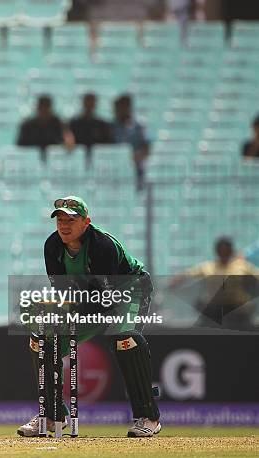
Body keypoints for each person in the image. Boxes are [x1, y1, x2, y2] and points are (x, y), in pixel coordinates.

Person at [17, 196, 161, 438]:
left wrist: (73, 312)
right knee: (41, 341)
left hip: (128, 291)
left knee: (125, 339)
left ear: (86, 222)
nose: (64, 225)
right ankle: (53, 416)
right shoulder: (52, 246)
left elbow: (107, 302)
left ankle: (149, 416)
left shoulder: (102, 246)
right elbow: (63, 291)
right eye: (60, 219)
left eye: (71, 219)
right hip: (88, 299)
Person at [170, 237, 259, 330]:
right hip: (214, 309)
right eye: (221, 250)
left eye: (226, 250)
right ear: (217, 251)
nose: (223, 253)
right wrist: (176, 281)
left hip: (238, 309)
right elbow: (188, 274)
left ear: (231, 251)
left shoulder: (242, 266)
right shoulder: (208, 267)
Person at [17, 95, 75, 163]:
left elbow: (69, 142)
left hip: (56, 162)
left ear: (50, 108)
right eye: (42, 107)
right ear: (37, 107)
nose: (44, 110)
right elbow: (19, 147)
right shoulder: (27, 126)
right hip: (32, 162)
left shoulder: (60, 124)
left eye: (46, 107)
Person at [112, 94, 150, 190]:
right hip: (115, 166)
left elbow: (146, 147)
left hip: (135, 165)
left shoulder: (139, 126)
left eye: (122, 106)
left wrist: (135, 157)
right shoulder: (111, 126)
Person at [69, 92, 113, 161]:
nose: (89, 104)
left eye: (91, 101)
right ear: (83, 103)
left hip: (99, 160)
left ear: (95, 104)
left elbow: (108, 144)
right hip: (78, 159)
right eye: (87, 101)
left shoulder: (102, 125)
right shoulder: (74, 124)